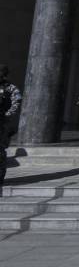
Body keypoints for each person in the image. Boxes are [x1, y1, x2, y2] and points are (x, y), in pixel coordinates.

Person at [0, 64, 21, 193]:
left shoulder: (11, 88)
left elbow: (16, 103)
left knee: (0, 152)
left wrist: (6, 116)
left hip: (2, 124)